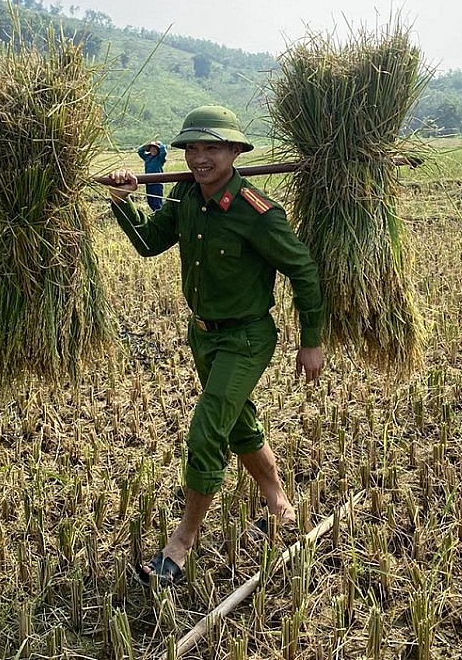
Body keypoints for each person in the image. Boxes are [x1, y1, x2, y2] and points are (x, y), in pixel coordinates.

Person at [108, 105, 325, 588]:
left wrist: (311, 342)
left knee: (207, 431)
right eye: (192, 148)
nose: (199, 157)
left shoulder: (257, 212)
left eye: (212, 147)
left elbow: (304, 272)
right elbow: (148, 243)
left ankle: (181, 542)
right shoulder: (186, 196)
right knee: (238, 425)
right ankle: (279, 504)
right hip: (202, 335)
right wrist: (126, 200)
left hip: (246, 338)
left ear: (234, 151)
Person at [136, 139, 167, 211]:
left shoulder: (160, 158)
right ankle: (155, 214)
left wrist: (160, 144)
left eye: (155, 148)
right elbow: (140, 152)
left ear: (158, 150)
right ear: (149, 150)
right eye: (151, 148)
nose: (153, 150)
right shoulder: (147, 157)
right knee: (150, 201)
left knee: (157, 202)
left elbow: (164, 152)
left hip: (157, 183)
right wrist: (145, 145)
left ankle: (159, 217)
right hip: (148, 182)